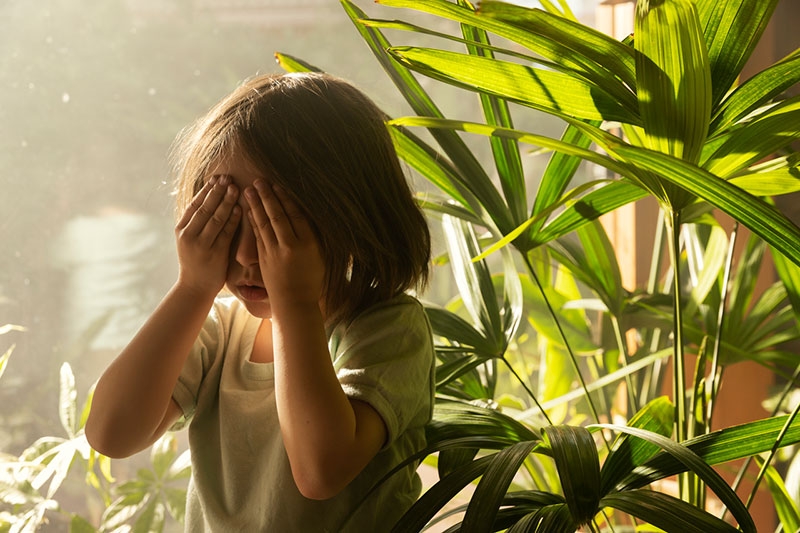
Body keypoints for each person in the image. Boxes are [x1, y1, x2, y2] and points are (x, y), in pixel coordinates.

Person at [85, 72, 435, 532]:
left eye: (278, 225)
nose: (249, 255)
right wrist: (192, 289)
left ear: (356, 215)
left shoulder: (389, 329)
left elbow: (320, 470)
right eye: (228, 219)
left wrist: (294, 301)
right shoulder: (220, 330)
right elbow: (111, 433)